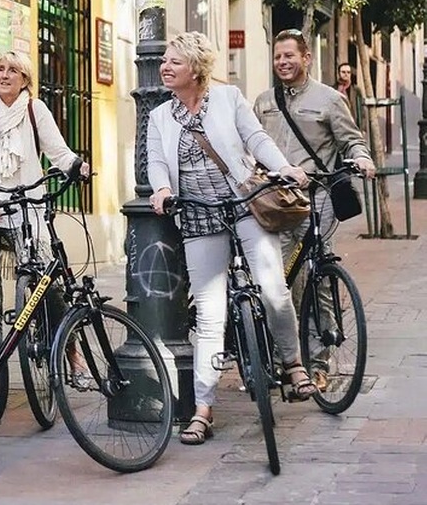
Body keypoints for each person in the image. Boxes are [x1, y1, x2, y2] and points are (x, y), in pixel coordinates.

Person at [146, 32, 316, 446]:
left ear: (196, 69)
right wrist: (162, 190)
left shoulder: (228, 99)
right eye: (164, 61)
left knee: (274, 288)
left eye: (174, 62)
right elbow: (156, 161)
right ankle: (203, 408)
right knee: (209, 314)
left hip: (246, 202)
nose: (164, 67)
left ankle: (293, 364)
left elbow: (256, 138)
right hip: (199, 214)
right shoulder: (159, 117)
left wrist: (284, 168)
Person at [253, 29, 375, 389]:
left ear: (306, 58)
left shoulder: (330, 99)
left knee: (317, 276)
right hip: (274, 201)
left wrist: (362, 159)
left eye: (290, 55)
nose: (283, 62)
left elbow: (352, 140)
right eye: (278, 57)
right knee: (280, 279)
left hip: (316, 197)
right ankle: (282, 357)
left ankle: (319, 360)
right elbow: (251, 144)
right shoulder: (263, 101)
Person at [0, 50, 89, 330]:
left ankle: (67, 347)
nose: (4, 75)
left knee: (45, 282)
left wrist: (78, 167)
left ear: (25, 79)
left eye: (13, 70)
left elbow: (59, 152)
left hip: (26, 208)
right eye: (0, 69)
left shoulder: (35, 109)